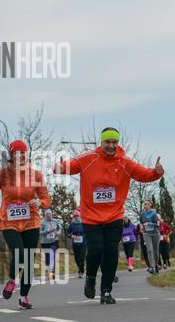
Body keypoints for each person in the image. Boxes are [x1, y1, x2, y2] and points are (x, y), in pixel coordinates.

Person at [53, 127, 164, 304]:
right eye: (108, 142)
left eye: (114, 142)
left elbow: (144, 174)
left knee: (111, 253)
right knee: (96, 250)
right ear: (101, 142)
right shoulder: (88, 159)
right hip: (91, 217)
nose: (111, 146)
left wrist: (157, 172)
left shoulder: (125, 163)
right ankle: (90, 278)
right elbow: (65, 167)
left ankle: (106, 290)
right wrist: (59, 167)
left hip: (114, 216)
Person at [0, 140, 51, 309]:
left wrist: (40, 202)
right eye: (16, 153)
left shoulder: (36, 175)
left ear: (26, 154)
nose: (20, 155)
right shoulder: (2, 175)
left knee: (29, 260)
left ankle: (24, 297)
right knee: (20, 254)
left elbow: (46, 198)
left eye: (22, 152)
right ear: (11, 155)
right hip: (8, 221)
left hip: (31, 221)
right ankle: (12, 279)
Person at [139, 201, 161, 274]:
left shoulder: (154, 213)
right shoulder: (142, 214)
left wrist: (149, 223)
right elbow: (141, 222)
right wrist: (141, 227)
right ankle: (151, 267)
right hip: (146, 233)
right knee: (149, 250)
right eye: (144, 204)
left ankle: (156, 265)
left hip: (155, 233)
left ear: (150, 205)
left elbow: (157, 224)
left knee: (156, 251)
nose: (145, 205)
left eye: (146, 204)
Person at [40, 209, 62, 280]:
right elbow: (40, 232)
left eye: (49, 214)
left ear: (51, 214)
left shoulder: (56, 221)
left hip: (54, 241)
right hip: (45, 242)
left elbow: (59, 229)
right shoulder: (42, 222)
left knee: (52, 255)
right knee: (47, 259)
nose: (48, 215)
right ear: (45, 215)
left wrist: (57, 233)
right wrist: (48, 230)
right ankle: (48, 271)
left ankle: (52, 272)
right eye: (47, 214)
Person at [67, 209, 87, 277]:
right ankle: (81, 269)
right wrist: (71, 236)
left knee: (81, 257)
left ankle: (81, 271)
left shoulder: (84, 223)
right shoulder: (72, 224)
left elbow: (88, 232)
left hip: (83, 243)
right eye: (74, 216)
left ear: (80, 216)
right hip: (75, 244)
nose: (76, 217)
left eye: (77, 215)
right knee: (76, 258)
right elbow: (68, 233)